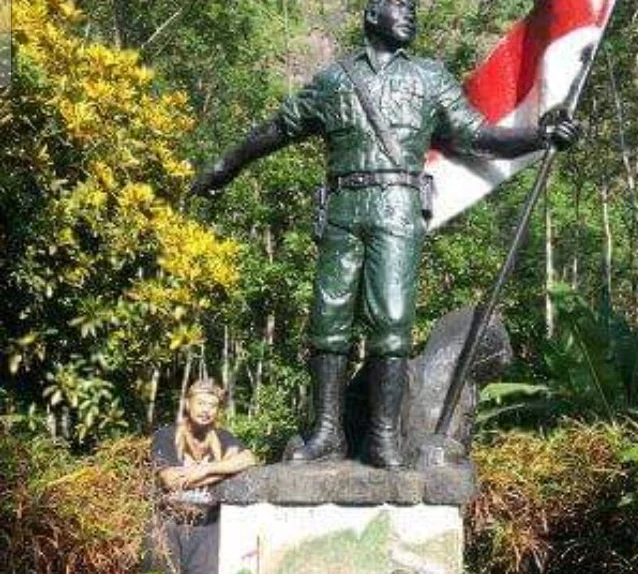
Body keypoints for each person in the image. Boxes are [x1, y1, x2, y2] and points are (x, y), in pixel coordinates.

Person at [190, 0, 580, 469]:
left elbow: (477, 135)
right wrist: (223, 167)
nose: (410, 13)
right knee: (328, 317)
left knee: (391, 320)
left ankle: (384, 437)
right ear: (373, 16)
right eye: (399, 6)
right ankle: (327, 433)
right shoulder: (335, 80)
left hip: (397, 207)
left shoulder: (429, 77)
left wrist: (539, 135)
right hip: (342, 206)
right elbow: (278, 129)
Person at [135, 378, 256, 574]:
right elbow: (169, 480)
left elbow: (248, 458)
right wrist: (220, 472)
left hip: (207, 530)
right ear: (188, 404)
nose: (205, 410)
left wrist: (206, 468)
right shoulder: (166, 436)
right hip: (166, 527)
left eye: (212, 405)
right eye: (200, 403)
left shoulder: (224, 438)